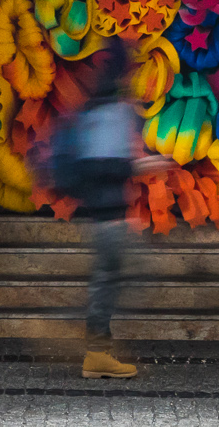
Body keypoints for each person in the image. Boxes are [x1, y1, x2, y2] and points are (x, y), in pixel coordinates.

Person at [48, 46, 166, 379]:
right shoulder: (111, 112)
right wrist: (138, 165)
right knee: (111, 281)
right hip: (108, 214)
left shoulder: (92, 110)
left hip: (106, 212)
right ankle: (95, 351)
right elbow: (102, 166)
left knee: (110, 279)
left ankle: (97, 350)